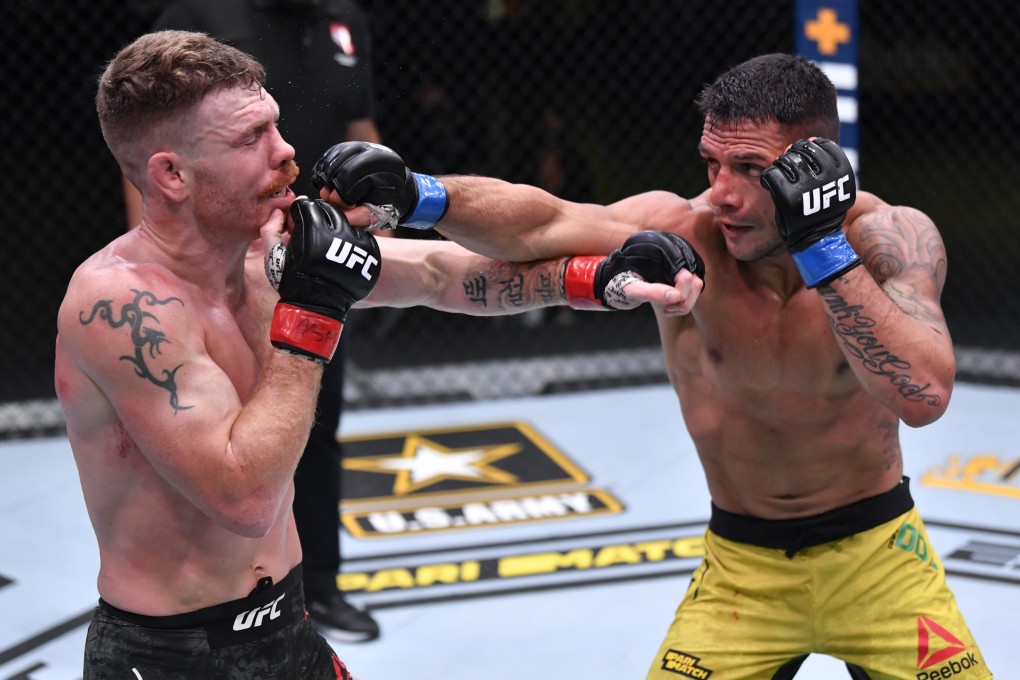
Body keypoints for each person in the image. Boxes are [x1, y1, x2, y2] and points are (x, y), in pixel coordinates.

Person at [310, 53, 993, 679]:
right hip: (743, 569)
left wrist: (821, 250)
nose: (721, 194)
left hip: (882, 557)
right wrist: (420, 193)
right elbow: (541, 223)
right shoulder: (688, 233)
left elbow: (924, 392)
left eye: (751, 171)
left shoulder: (887, 237)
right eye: (711, 165)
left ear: (816, 163)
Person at [57, 30, 699, 680]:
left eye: (275, 126)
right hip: (168, 657)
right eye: (250, 139)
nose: (286, 152)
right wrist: (314, 308)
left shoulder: (272, 250)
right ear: (171, 173)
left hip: (287, 625)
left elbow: (445, 275)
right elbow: (244, 497)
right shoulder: (118, 306)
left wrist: (602, 279)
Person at [123, 0, 385, 642]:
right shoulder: (194, 14)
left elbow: (361, 128)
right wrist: (159, 263)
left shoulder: (340, 18)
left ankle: (317, 586)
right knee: (228, 439)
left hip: (316, 256)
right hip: (220, 268)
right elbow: (146, 151)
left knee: (315, 425)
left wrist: (381, 208)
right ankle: (219, 601)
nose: (283, 147)